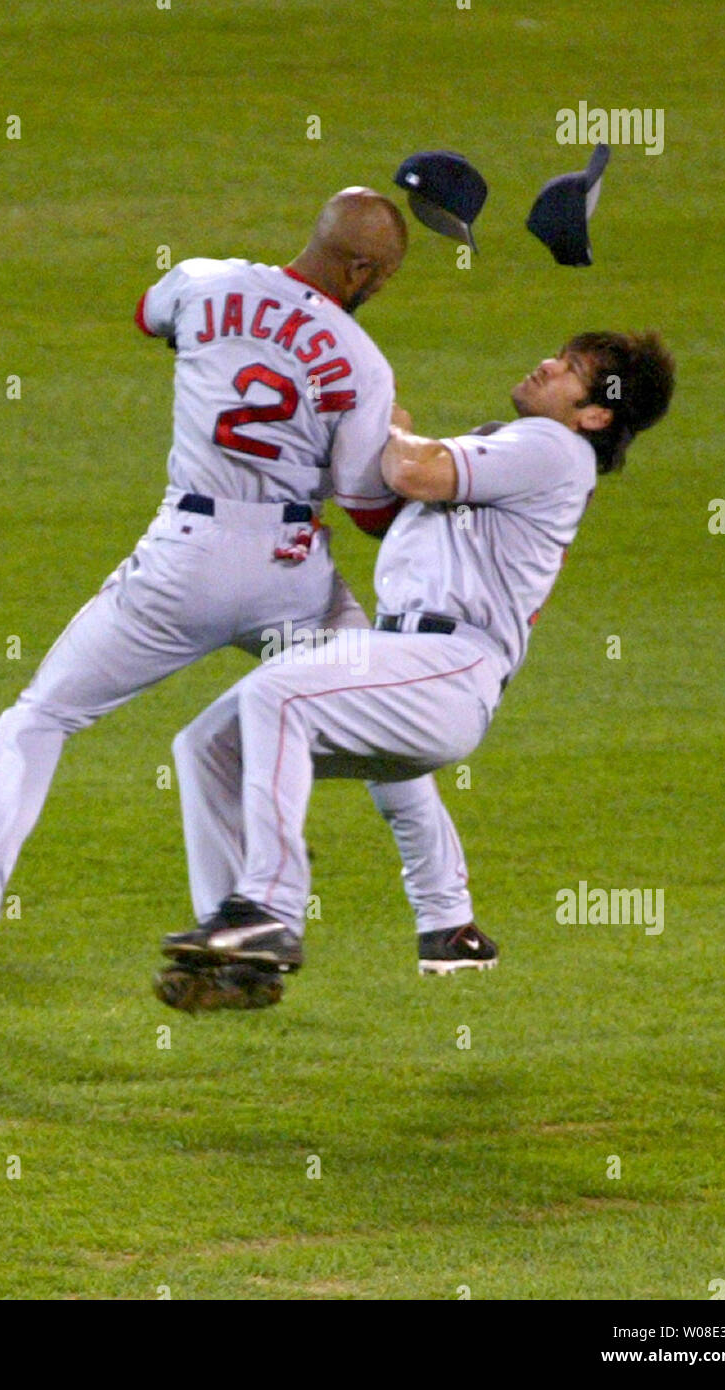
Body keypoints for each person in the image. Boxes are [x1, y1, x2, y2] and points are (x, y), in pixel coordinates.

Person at [0, 187, 475, 971]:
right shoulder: (362, 363)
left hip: (183, 563)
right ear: (359, 267)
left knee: (42, 715)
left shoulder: (203, 280)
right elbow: (366, 507)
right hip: (291, 574)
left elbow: (145, 314)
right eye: (381, 278)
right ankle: (447, 928)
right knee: (375, 726)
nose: (378, 291)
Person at [160, 332, 676, 995]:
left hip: (450, 663)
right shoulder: (517, 449)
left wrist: (384, 419)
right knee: (207, 743)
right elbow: (397, 490)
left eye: (571, 370)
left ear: (595, 413)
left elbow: (411, 471)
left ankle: (268, 911)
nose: (546, 363)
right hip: (409, 658)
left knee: (277, 697)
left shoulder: (553, 447)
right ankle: (240, 948)